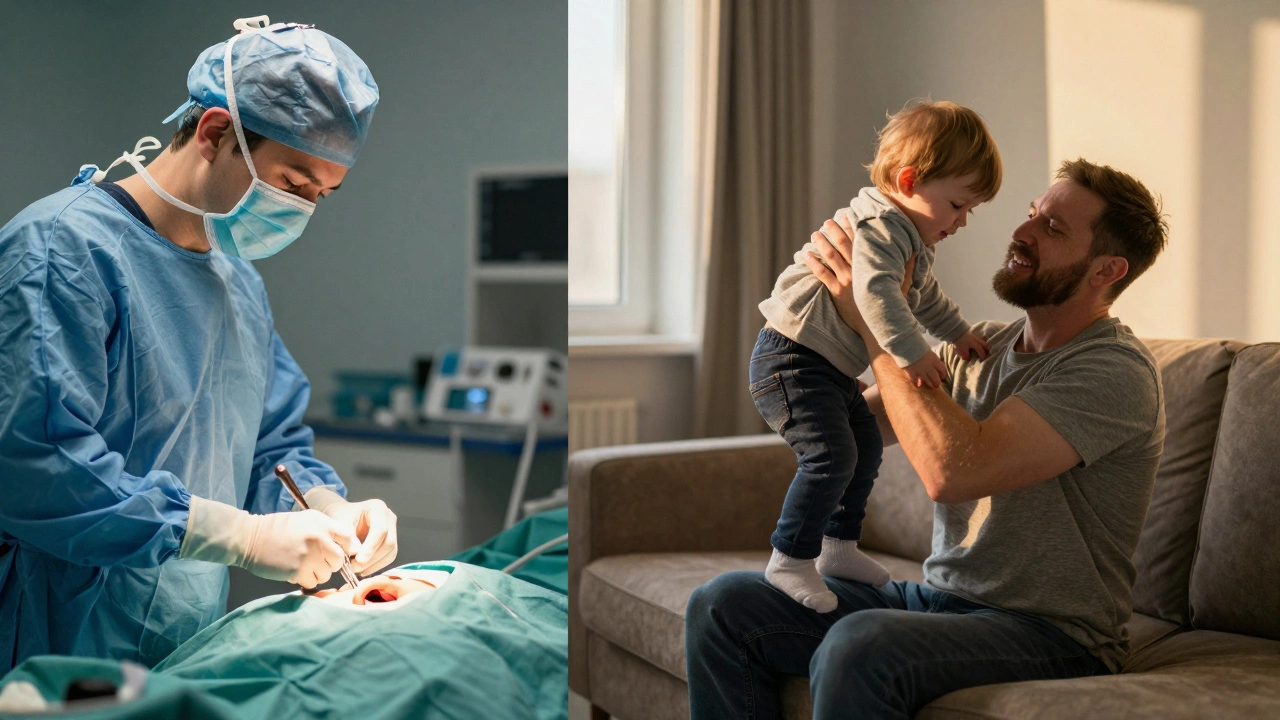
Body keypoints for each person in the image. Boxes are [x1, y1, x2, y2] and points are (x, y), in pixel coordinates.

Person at [687, 158, 1168, 719]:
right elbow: (853, 424)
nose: (1021, 233)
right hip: (937, 600)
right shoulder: (980, 345)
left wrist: (873, 319)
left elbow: (953, 473)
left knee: (859, 646)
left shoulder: (1114, 371)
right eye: (1032, 214)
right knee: (723, 606)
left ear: (1107, 270)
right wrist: (808, 339)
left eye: (1052, 228)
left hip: (1051, 632)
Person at [0, 16, 400, 673]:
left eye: (322, 196)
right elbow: (34, 464)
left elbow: (268, 447)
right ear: (215, 132)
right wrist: (236, 536)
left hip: (181, 638)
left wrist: (329, 504)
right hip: (55, 635)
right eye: (295, 185)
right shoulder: (60, 252)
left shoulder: (237, 283)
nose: (304, 210)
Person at [754, 101, 1001, 612]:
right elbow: (875, 295)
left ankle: (839, 547)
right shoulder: (880, 226)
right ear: (910, 181)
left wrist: (956, 332)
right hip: (792, 360)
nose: (963, 221)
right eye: (958, 205)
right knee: (832, 455)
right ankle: (789, 558)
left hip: (827, 366)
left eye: (970, 210)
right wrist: (911, 355)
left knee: (865, 445)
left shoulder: (910, 238)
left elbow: (922, 296)